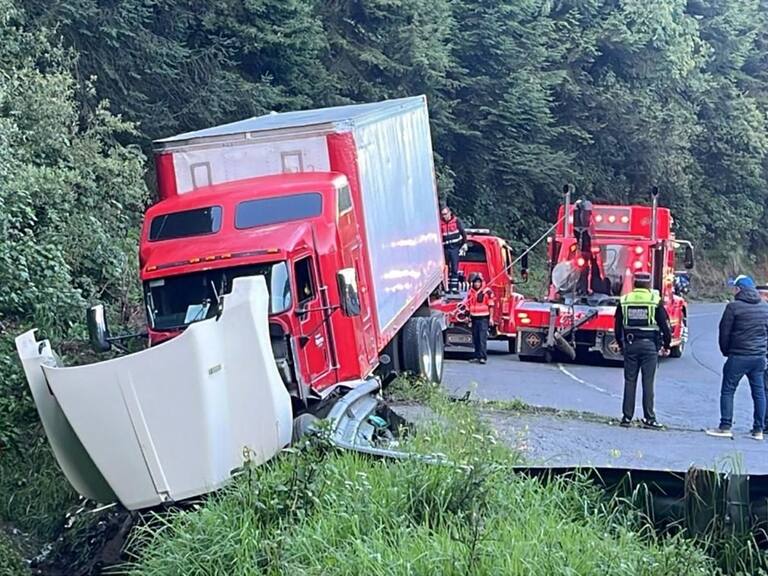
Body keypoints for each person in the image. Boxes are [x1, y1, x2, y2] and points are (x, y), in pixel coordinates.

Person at [706, 275, 768, 440]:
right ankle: (758, 430)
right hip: (759, 357)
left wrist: (726, 351)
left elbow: (724, 333)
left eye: (735, 288)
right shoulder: (765, 307)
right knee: (759, 392)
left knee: (728, 390)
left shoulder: (733, 308)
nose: (733, 291)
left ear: (739, 289)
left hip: (738, 356)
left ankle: (725, 426)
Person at [615, 271, 672, 429]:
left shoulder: (624, 300)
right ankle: (649, 418)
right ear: (649, 284)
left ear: (634, 283)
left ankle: (626, 418)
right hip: (649, 347)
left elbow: (617, 327)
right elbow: (665, 327)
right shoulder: (654, 300)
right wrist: (666, 345)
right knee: (648, 382)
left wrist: (621, 345)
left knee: (629, 381)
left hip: (631, 345)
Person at [464, 273, 495, 364]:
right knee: (476, 338)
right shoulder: (471, 292)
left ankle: (483, 357)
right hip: (474, 318)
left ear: (481, 283)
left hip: (483, 318)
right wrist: (467, 317)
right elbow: (468, 305)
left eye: (478, 282)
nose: (477, 284)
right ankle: (477, 356)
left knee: (482, 339)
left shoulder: (487, 292)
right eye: (475, 282)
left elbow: (491, 305)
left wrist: (491, 318)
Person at [440, 206, 467, 293]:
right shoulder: (440, 223)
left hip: (454, 248)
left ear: (449, 213)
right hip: (445, 248)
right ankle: (446, 287)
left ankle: (454, 288)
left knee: (454, 268)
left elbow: (463, 233)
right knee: (446, 268)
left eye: (445, 214)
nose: (444, 216)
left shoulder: (456, 221)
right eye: (443, 214)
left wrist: (463, 244)